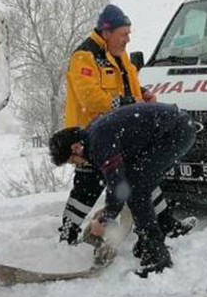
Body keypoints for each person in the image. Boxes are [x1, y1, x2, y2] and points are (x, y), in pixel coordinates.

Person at [57, 3, 194, 245]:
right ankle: (67, 235)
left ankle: (166, 225)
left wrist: (143, 94)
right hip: (90, 136)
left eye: (129, 34)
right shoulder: (85, 56)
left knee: (143, 177)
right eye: (123, 34)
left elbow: (126, 86)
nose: (127, 39)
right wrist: (127, 102)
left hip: (120, 136)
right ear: (106, 32)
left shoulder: (119, 55)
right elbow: (89, 97)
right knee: (86, 188)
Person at [49, 103, 198, 277]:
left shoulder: (99, 143)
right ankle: (147, 242)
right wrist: (109, 211)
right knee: (136, 183)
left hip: (176, 132)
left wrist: (105, 219)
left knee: (137, 191)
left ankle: (157, 256)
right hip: (172, 127)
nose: (76, 164)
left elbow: (118, 186)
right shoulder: (92, 136)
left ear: (76, 148)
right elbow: (117, 180)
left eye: (72, 161)